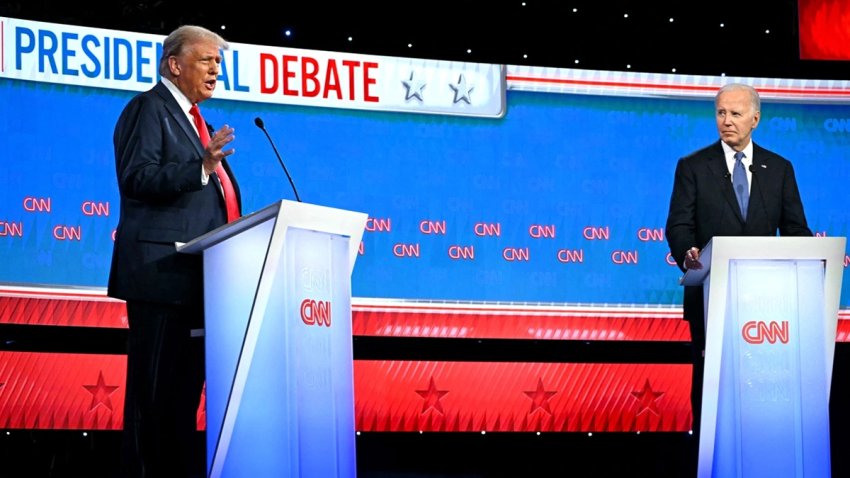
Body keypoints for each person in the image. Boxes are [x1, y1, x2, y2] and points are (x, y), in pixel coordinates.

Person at [108, 25, 241, 478]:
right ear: (174, 64)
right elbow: (136, 177)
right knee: (153, 401)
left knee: (180, 404)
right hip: (161, 278)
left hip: (198, 283)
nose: (215, 70)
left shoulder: (193, 121)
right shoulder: (148, 108)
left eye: (218, 62)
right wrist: (201, 166)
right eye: (207, 60)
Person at [664, 82, 812, 469]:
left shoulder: (779, 169)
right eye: (720, 113)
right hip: (712, 299)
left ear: (755, 119)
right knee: (713, 387)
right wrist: (688, 255)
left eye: (734, 113)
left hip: (769, 308)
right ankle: (711, 463)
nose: (726, 121)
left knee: (762, 390)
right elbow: (678, 226)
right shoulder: (693, 166)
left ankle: (767, 461)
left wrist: (814, 260)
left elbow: (797, 231)